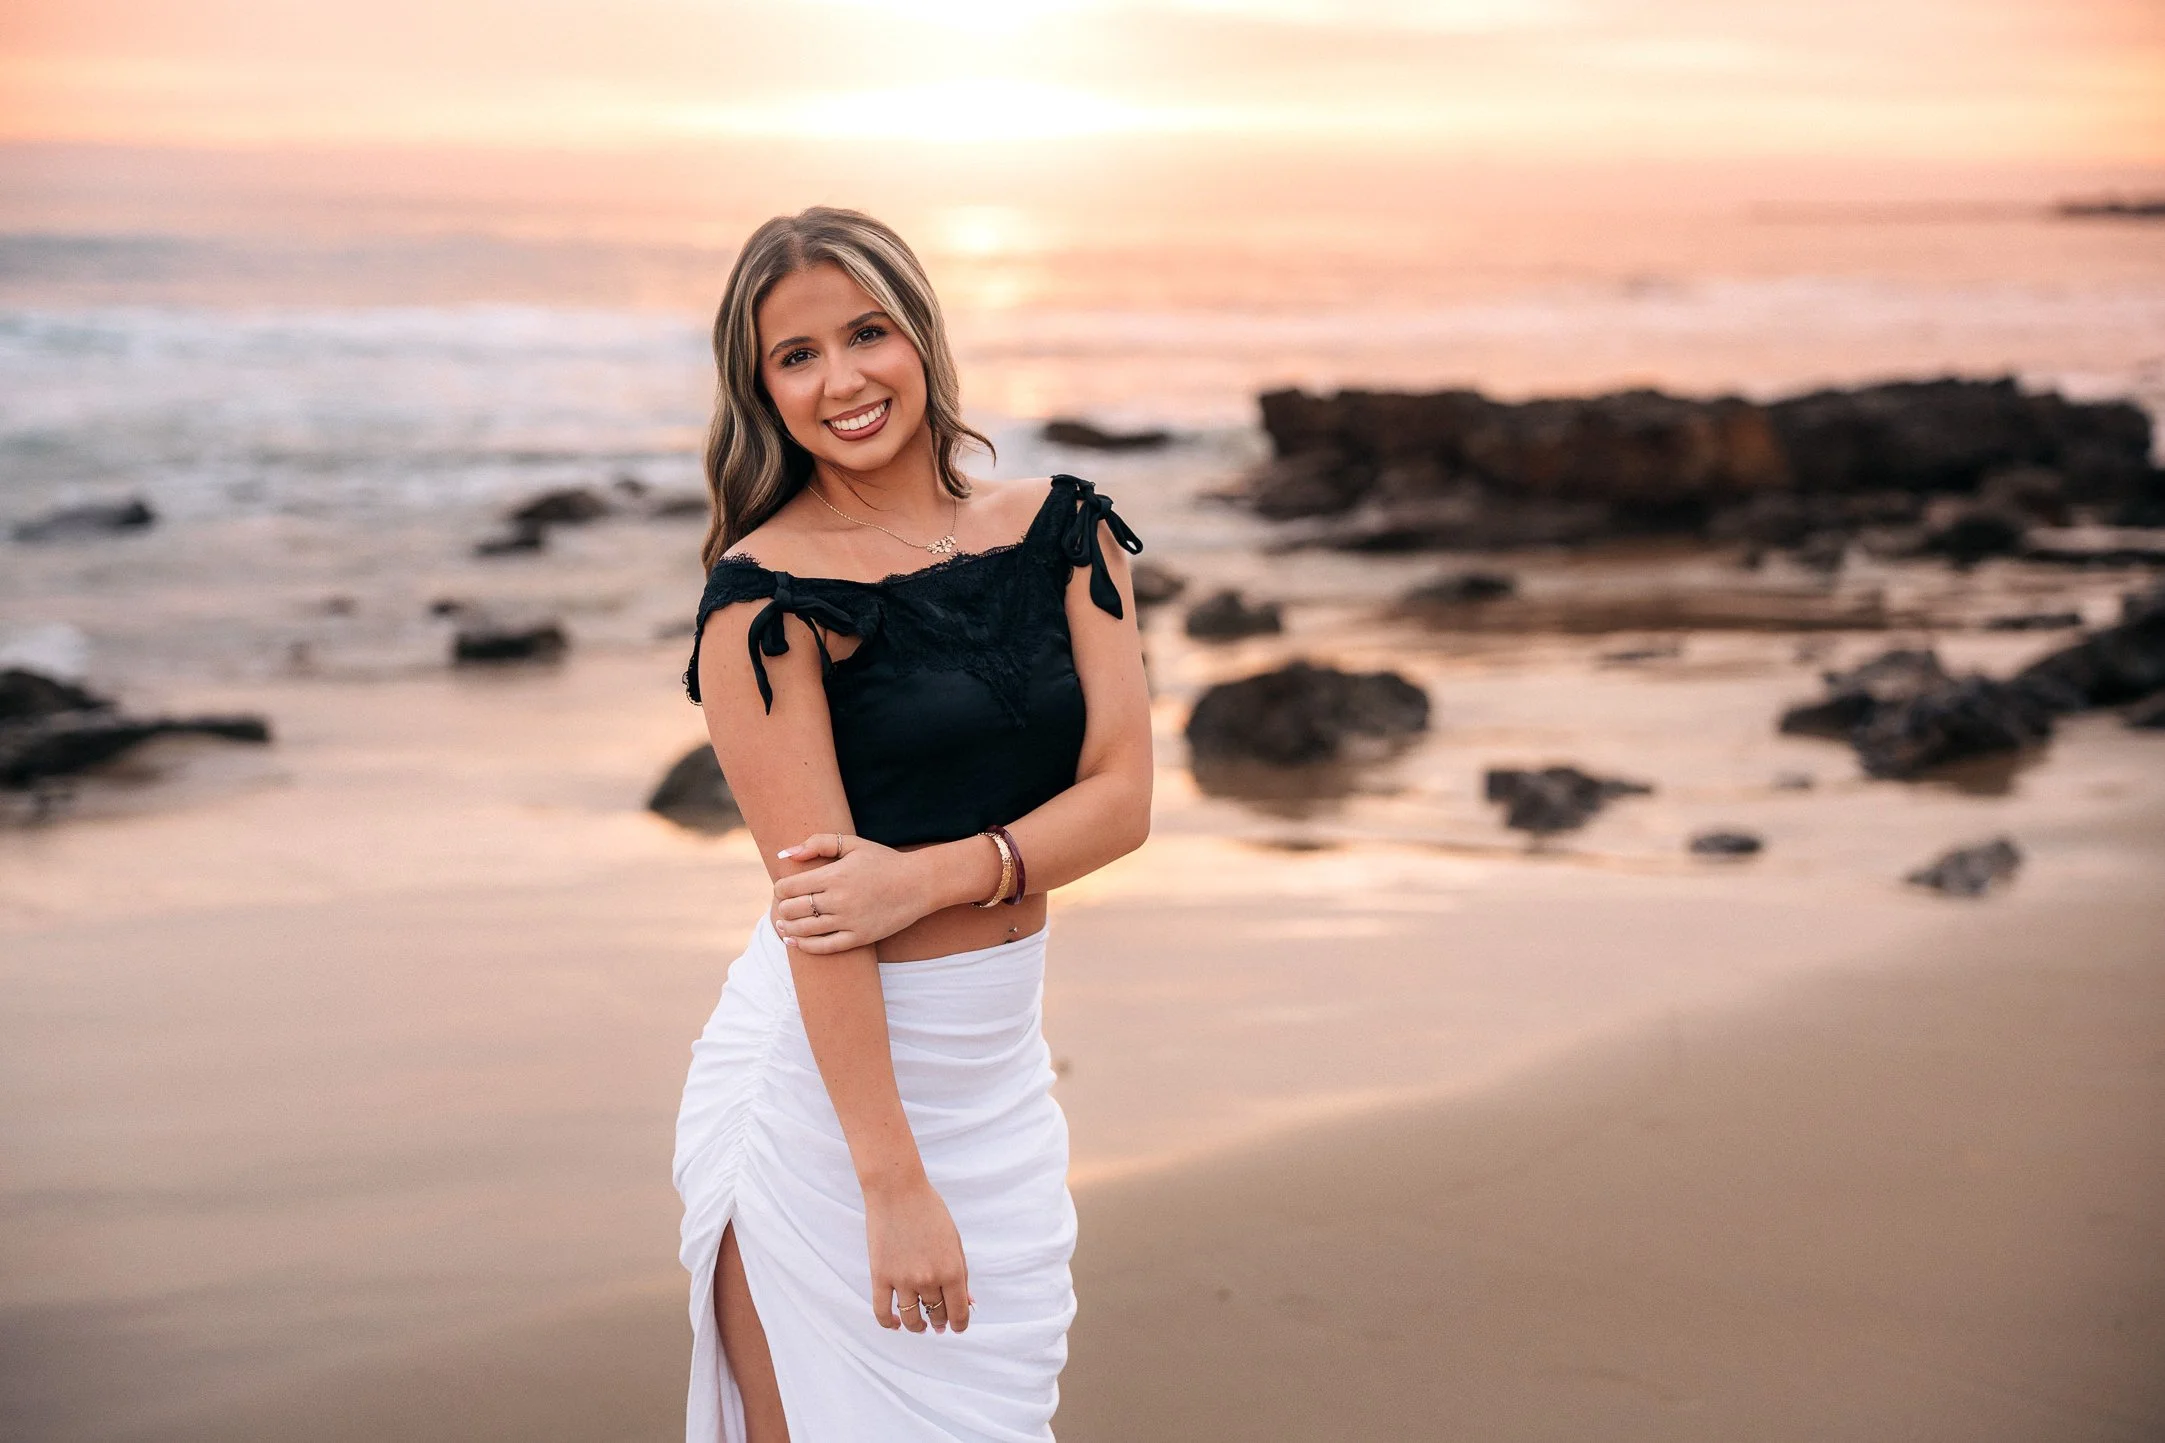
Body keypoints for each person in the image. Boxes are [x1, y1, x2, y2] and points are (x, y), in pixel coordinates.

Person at [671, 206, 1154, 1443]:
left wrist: (933, 878)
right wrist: (889, 1184)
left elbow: (1121, 801)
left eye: (865, 333)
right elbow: (822, 914)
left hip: (998, 1084)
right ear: (761, 390)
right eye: (796, 356)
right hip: (837, 1104)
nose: (841, 380)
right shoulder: (763, 609)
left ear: (920, 337)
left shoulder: (1065, 530)